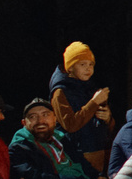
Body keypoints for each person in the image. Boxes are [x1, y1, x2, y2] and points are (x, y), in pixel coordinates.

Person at [9, 96, 109, 179]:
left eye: (45, 115)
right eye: (33, 117)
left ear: (55, 119)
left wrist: (100, 177)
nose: (40, 121)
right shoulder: (19, 148)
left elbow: (84, 164)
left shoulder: (62, 139)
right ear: (24, 123)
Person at [48, 42, 116, 171]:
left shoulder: (91, 88)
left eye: (91, 64)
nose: (88, 68)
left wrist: (108, 119)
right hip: (76, 157)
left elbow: (108, 128)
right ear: (71, 67)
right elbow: (70, 125)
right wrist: (94, 103)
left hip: (99, 154)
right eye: (82, 64)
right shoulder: (60, 92)